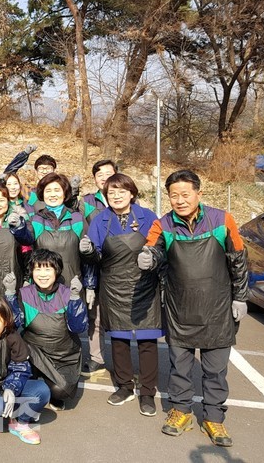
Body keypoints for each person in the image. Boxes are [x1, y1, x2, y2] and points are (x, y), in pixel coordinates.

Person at [139, 169, 248, 447]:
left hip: (218, 309)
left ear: (199, 193)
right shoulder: (163, 224)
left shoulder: (222, 220)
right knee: (180, 368)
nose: (180, 200)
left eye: (185, 194)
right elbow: (154, 248)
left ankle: (214, 417)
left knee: (215, 370)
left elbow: (238, 258)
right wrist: (148, 257)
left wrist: (240, 297)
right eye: (173, 195)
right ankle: (181, 411)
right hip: (179, 309)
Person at [80, 173, 161, 416]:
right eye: (111, 192)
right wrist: (87, 251)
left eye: (121, 191)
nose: (116, 196)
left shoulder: (148, 217)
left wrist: (152, 259)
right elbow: (95, 255)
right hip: (113, 286)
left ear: (132, 193)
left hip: (144, 285)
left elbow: (161, 247)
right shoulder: (100, 220)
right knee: (119, 340)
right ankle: (125, 386)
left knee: (147, 340)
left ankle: (147, 392)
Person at [30, 173, 98, 376]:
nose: (53, 194)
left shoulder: (76, 218)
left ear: (65, 193)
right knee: (45, 327)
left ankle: (69, 373)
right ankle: (43, 371)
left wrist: (90, 284)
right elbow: (26, 245)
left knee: (70, 328)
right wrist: (18, 228)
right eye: (48, 190)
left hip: (71, 281)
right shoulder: (36, 219)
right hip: (42, 282)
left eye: (57, 190)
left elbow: (88, 255)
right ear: (42, 194)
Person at [6, 250, 87, 411]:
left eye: (48, 269)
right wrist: (10, 295)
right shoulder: (24, 293)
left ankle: (49, 386)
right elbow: (14, 323)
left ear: (57, 271)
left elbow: (78, 327)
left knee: (60, 390)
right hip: (34, 352)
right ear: (31, 272)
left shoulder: (67, 293)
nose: (43, 274)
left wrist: (75, 298)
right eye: (38, 269)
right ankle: (34, 382)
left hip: (64, 356)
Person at [0, 297, 50, 445]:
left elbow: (21, 368)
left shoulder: (13, 337)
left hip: (9, 383)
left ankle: (20, 423)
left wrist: (11, 388)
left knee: (42, 390)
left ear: (5, 321)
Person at [77, 160, 119, 380]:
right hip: (93, 265)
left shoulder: (126, 198)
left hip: (119, 267)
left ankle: (124, 361)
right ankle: (97, 357)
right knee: (95, 315)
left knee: (121, 316)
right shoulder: (87, 202)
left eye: (108, 173)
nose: (104, 177)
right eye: (99, 174)